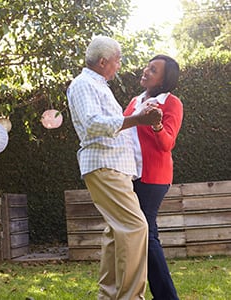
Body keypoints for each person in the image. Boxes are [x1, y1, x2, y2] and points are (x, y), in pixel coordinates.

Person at [67, 36, 163, 300]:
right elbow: (93, 123)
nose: (119, 65)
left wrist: (138, 117)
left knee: (114, 232)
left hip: (113, 166)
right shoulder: (84, 84)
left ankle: (108, 295)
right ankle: (131, 297)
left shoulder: (97, 84)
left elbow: (110, 123)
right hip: (104, 163)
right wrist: (138, 119)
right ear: (103, 62)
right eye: (117, 60)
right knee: (136, 226)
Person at [124, 54, 183, 300]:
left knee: (147, 234)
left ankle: (166, 296)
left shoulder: (171, 103)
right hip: (129, 174)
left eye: (154, 70)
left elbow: (167, 143)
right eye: (147, 66)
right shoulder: (135, 101)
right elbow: (121, 127)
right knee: (139, 234)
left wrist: (156, 124)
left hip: (153, 178)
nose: (146, 71)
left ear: (163, 80)